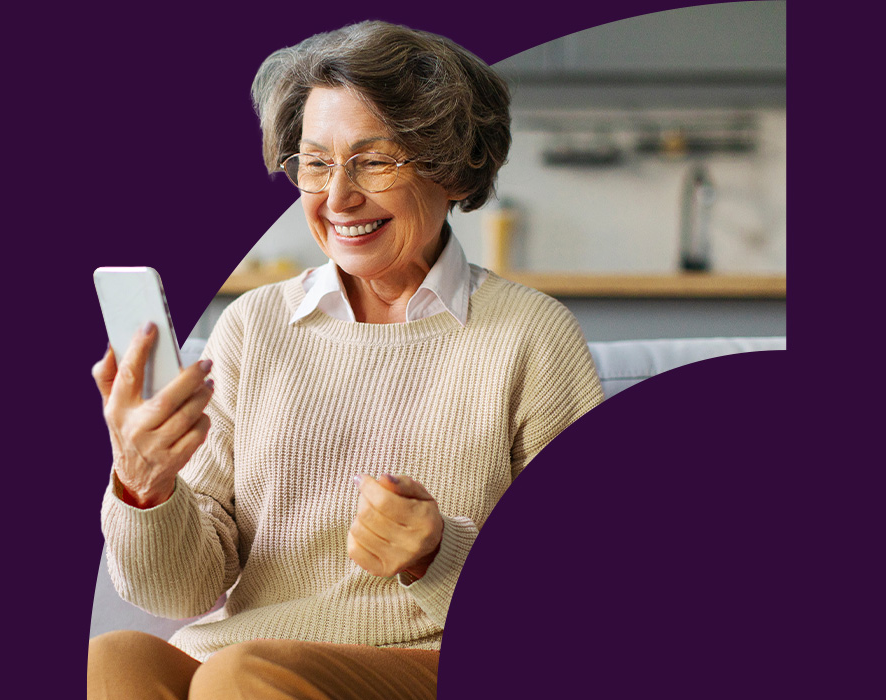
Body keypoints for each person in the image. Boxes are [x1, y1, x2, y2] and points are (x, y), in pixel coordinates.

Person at [88, 20, 604, 700]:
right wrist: (144, 482)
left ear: (451, 169)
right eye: (316, 162)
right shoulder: (254, 327)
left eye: (374, 160)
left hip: (435, 661)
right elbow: (179, 591)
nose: (338, 197)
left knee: (239, 678)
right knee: (113, 658)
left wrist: (435, 554)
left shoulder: (531, 336)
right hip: (246, 658)